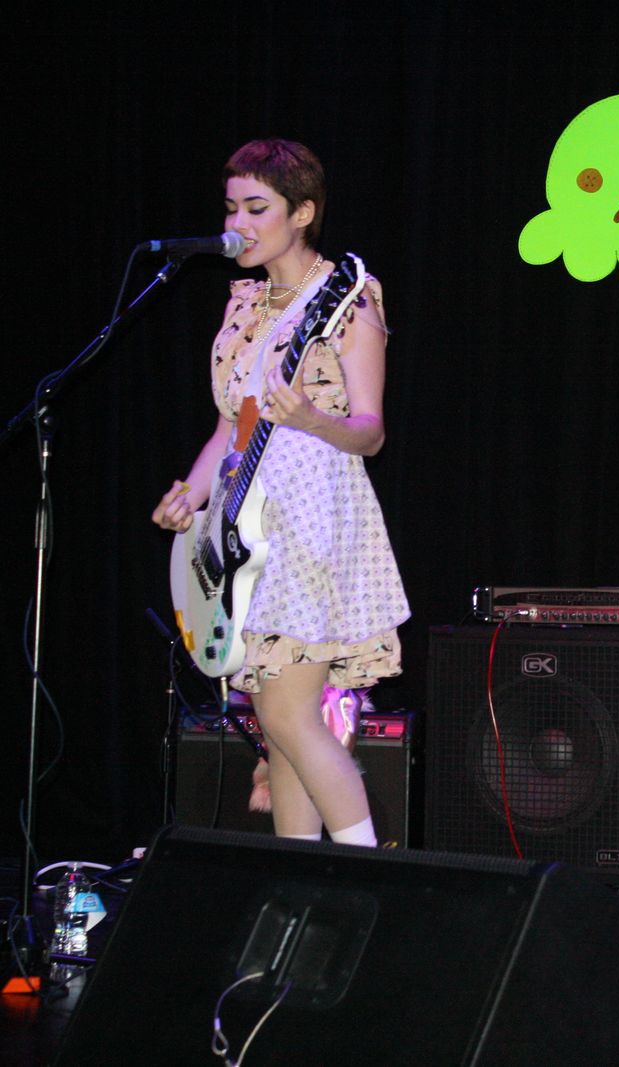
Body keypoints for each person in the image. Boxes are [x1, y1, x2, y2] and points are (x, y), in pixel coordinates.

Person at [152, 139, 409, 846]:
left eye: (256, 207)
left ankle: (362, 873)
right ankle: (297, 877)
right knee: (277, 725)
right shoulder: (244, 305)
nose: (238, 222)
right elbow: (230, 426)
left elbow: (370, 432)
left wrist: (314, 420)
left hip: (311, 516)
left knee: (290, 715)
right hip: (245, 523)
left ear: (302, 213)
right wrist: (191, 492)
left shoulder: (349, 297)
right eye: (231, 207)